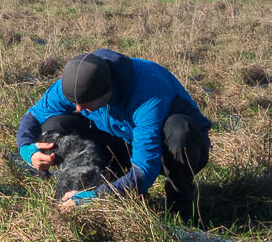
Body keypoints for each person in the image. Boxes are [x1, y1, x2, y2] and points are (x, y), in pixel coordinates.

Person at [16, 49, 212, 215]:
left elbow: (146, 167)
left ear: (107, 91)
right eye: (74, 102)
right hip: (121, 140)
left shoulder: (148, 93)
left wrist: (97, 197)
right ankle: (94, 182)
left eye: (85, 104)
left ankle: (180, 205)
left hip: (173, 148)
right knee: (56, 123)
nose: (78, 108)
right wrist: (27, 149)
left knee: (179, 131)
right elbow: (33, 116)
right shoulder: (77, 82)